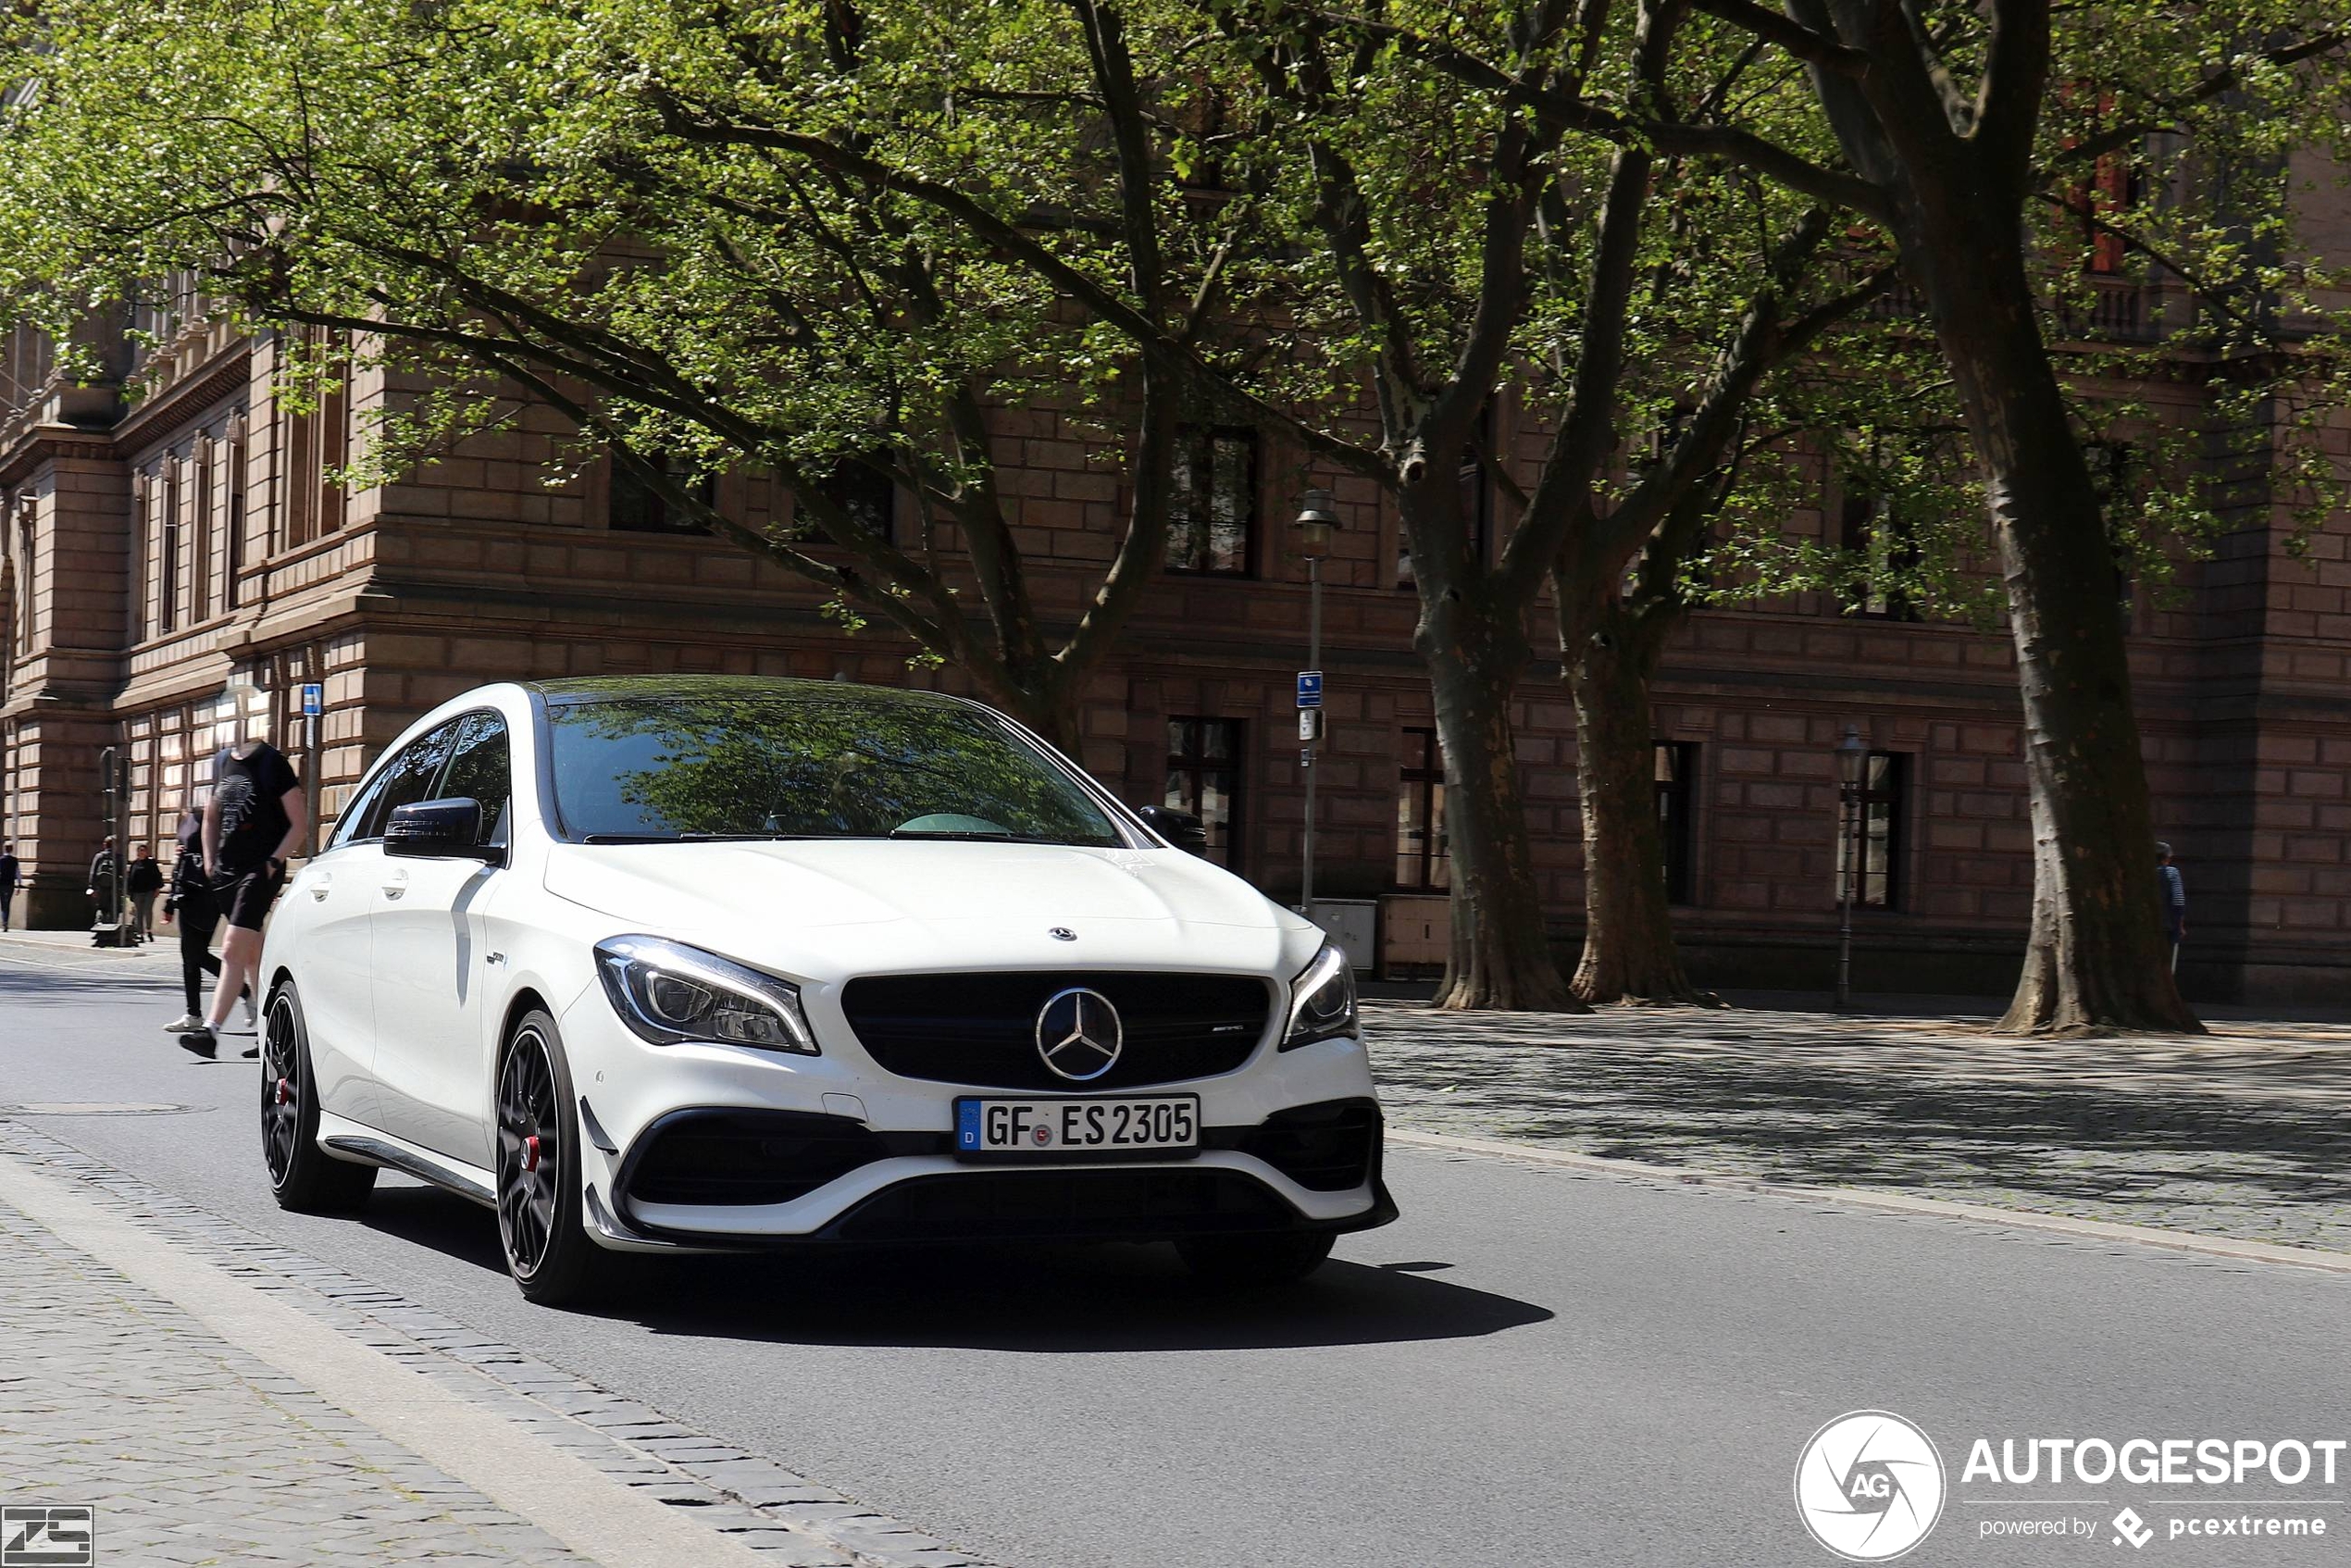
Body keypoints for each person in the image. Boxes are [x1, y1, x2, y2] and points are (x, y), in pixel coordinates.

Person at [179, 737, 305, 1061]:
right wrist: (209, 862)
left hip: (259, 872)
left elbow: (299, 825)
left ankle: (210, 1032)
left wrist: (273, 861)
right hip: (226, 873)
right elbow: (211, 816)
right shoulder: (221, 761)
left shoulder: (271, 762)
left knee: (232, 949)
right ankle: (271, 1035)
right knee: (252, 956)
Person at [162, 801, 249, 1037]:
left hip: (206, 895)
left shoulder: (213, 819)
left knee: (196, 955)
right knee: (189, 957)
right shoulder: (187, 820)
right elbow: (180, 862)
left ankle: (244, 992)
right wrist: (170, 900)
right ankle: (193, 1014)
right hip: (187, 893)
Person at [2157, 840, 2187, 975]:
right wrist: (2180, 926)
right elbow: (2178, 901)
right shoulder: (2171, 873)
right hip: (2166, 924)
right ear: (2167, 857)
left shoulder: (2141, 873)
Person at [125, 844, 164, 942]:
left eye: (143, 850)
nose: (142, 852)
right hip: (137, 892)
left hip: (149, 891)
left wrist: (158, 888)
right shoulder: (134, 864)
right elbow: (131, 878)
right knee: (139, 913)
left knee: (148, 911)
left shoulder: (151, 863)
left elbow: (157, 876)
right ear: (137, 852)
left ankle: (149, 930)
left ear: (146, 852)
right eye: (140, 850)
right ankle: (140, 933)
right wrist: (129, 892)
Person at [85, 834, 118, 927]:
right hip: (114, 887)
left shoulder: (99, 856)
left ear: (104, 845)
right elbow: (123, 873)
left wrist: (92, 887)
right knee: (113, 906)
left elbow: (93, 872)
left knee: (101, 906)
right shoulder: (118, 857)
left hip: (101, 886)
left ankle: (98, 923)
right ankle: (112, 925)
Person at [0, 841, 18, 931]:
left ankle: (4, 923)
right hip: (10, 884)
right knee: (7, 904)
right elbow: (18, 873)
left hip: (1, 883)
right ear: (12, 849)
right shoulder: (15, 860)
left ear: (4, 849)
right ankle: (5, 922)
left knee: (3, 904)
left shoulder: (1, 860)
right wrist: (19, 885)